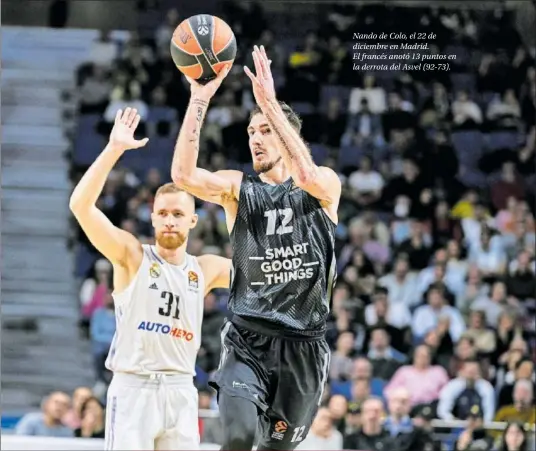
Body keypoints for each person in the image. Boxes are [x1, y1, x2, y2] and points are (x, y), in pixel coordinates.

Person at [172, 45, 341, 450]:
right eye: (251, 132)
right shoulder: (238, 188)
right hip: (248, 338)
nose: (255, 139)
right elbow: (182, 175)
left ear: (288, 135)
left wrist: (270, 105)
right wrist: (199, 97)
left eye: (265, 130)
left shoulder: (324, 186)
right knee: (238, 437)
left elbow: (305, 172)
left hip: (304, 348)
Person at [69, 108, 232, 450]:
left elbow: (264, 274)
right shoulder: (131, 255)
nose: (169, 220)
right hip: (134, 389)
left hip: (181, 390)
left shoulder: (205, 268)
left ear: (192, 221)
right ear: (153, 218)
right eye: (163, 213)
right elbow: (81, 206)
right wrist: (114, 149)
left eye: (178, 214)